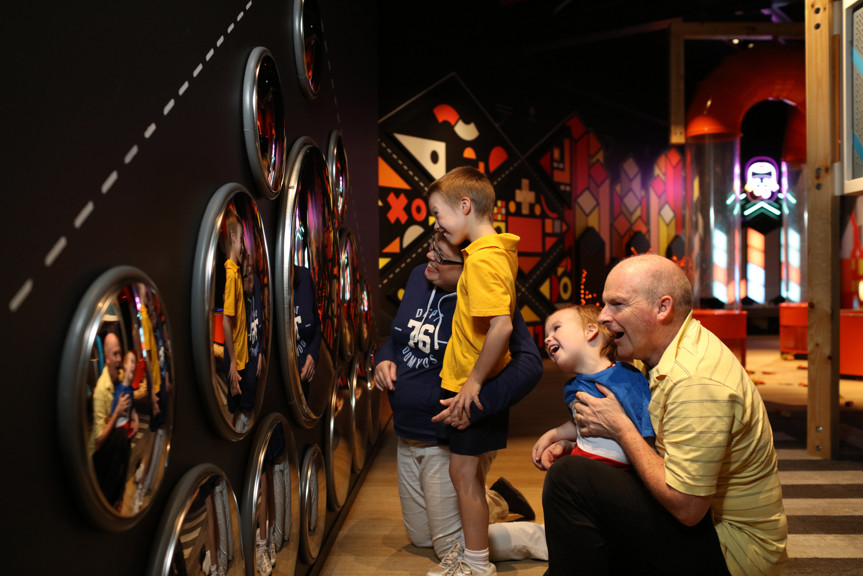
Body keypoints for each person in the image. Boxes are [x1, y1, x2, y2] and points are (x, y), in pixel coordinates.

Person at [540, 254, 787, 576]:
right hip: (701, 523)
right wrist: (577, 438)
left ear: (663, 308)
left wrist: (621, 430)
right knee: (581, 479)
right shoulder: (657, 353)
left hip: (730, 551)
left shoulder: (695, 381)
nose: (603, 317)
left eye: (616, 304)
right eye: (603, 305)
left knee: (569, 478)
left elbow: (687, 508)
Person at [374, 232, 545, 576]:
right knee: (422, 539)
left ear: (467, 264)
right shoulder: (420, 276)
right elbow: (397, 337)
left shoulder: (487, 294)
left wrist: (475, 406)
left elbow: (529, 365)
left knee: (449, 546)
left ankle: (538, 536)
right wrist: (384, 358)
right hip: (407, 432)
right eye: (431, 250)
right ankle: (497, 500)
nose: (429, 260)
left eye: (440, 256)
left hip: (445, 438)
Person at [425, 166, 520, 576]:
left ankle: (477, 564)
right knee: (463, 473)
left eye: (439, 214)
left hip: (472, 387)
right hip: (466, 383)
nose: (437, 224)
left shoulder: (482, 261)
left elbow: (502, 326)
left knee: (465, 477)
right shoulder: (494, 252)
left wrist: (474, 383)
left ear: (465, 206)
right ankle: (473, 555)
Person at [531, 305, 652, 471]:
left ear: (590, 330)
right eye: (547, 335)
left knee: (562, 473)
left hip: (620, 471)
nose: (546, 340)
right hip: (585, 464)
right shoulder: (573, 387)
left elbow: (646, 425)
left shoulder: (623, 377)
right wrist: (553, 435)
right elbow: (583, 423)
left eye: (556, 328)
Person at [89, 332, 139, 509]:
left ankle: (119, 498)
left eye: (120, 354)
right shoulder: (101, 392)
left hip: (116, 455)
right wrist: (117, 413)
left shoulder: (117, 379)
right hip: (100, 458)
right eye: (116, 355)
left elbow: (127, 395)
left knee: (124, 443)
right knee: (121, 439)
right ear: (107, 359)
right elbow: (97, 442)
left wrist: (134, 416)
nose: (120, 359)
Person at [221, 209, 248, 427]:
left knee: (241, 409)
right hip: (236, 360)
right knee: (236, 411)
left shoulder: (236, 272)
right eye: (240, 239)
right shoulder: (230, 275)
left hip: (240, 356)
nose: (243, 245)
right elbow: (225, 321)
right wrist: (232, 361)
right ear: (232, 238)